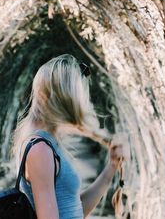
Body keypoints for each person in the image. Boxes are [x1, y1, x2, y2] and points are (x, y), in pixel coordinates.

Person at [12, 54, 125, 219]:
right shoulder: (40, 149)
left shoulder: (49, 143)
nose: (84, 101)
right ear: (63, 96)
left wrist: (112, 166)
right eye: (79, 94)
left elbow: (74, 211)